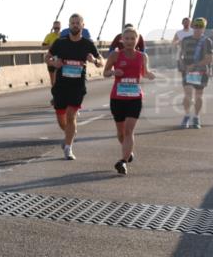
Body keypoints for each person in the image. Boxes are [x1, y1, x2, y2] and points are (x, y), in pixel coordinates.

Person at [47, 13, 103, 160]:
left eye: (78, 23)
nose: (75, 25)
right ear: (69, 25)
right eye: (72, 23)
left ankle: (68, 147)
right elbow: (47, 57)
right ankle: (69, 134)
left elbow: (101, 62)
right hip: (61, 85)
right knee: (61, 119)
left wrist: (94, 60)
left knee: (71, 115)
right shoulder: (60, 42)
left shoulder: (87, 44)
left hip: (78, 85)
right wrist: (53, 62)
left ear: (83, 25)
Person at [103, 25, 156, 175]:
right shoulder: (115, 55)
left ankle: (123, 161)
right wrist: (113, 72)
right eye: (127, 38)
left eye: (133, 38)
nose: (129, 41)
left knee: (128, 130)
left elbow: (144, 72)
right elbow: (105, 73)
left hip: (135, 98)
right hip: (117, 98)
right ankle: (128, 152)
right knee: (121, 133)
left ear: (137, 40)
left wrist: (150, 75)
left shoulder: (142, 56)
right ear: (122, 40)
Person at [178, 17, 213, 129]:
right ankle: (187, 115)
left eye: (200, 26)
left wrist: (194, 65)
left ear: (204, 28)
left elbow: (209, 58)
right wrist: (182, 64)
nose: (198, 29)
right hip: (187, 71)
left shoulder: (207, 41)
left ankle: (196, 117)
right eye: (196, 26)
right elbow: (181, 54)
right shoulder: (185, 40)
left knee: (198, 96)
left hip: (200, 72)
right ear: (192, 26)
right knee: (187, 95)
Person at [42, 20, 62, 86]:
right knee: (52, 79)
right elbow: (43, 47)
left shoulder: (63, 35)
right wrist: (51, 45)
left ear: (60, 27)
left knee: (60, 78)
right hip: (52, 57)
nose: (56, 29)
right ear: (53, 28)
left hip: (61, 58)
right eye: (55, 28)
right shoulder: (49, 36)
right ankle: (54, 89)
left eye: (58, 28)